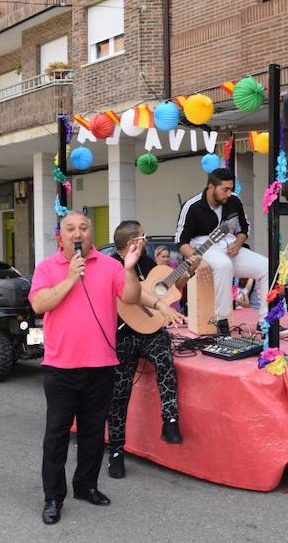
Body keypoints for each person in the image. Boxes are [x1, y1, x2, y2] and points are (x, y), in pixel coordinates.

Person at [29, 211, 143, 526]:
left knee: (93, 433)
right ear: (59, 237)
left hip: (101, 365)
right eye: (71, 229)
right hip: (60, 368)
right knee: (57, 435)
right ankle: (53, 497)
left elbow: (131, 298)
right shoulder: (47, 268)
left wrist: (131, 270)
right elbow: (39, 304)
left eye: (83, 228)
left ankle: (86, 485)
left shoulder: (110, 266)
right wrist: (69, 278)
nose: (78, 233)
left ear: (91, 234)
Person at [107, 220, 198, 480]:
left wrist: (189, 272)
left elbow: (170, 286)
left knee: (165, 358)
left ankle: (170, 420)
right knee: (119, 393)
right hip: (122, 334)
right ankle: (116, 451)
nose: (147, 240)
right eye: (143, 236)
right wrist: (159, 306)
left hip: (150, 332)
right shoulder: (112, 265)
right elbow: (127, 297)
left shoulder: (148, 263)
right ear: (132, 242)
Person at [174, 168, 267, 335]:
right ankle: (222, 322)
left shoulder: (234, 201)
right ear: (211, 187)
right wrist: (198, 260)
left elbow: (244, 228)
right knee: (224, 265)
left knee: (267, 266)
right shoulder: (192, 206)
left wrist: (238, 244)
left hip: (231, 245)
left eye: (231, 189)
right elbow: (181, 241)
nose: (229, 193)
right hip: (204, 247)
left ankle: (265, 321)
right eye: (225, 189)